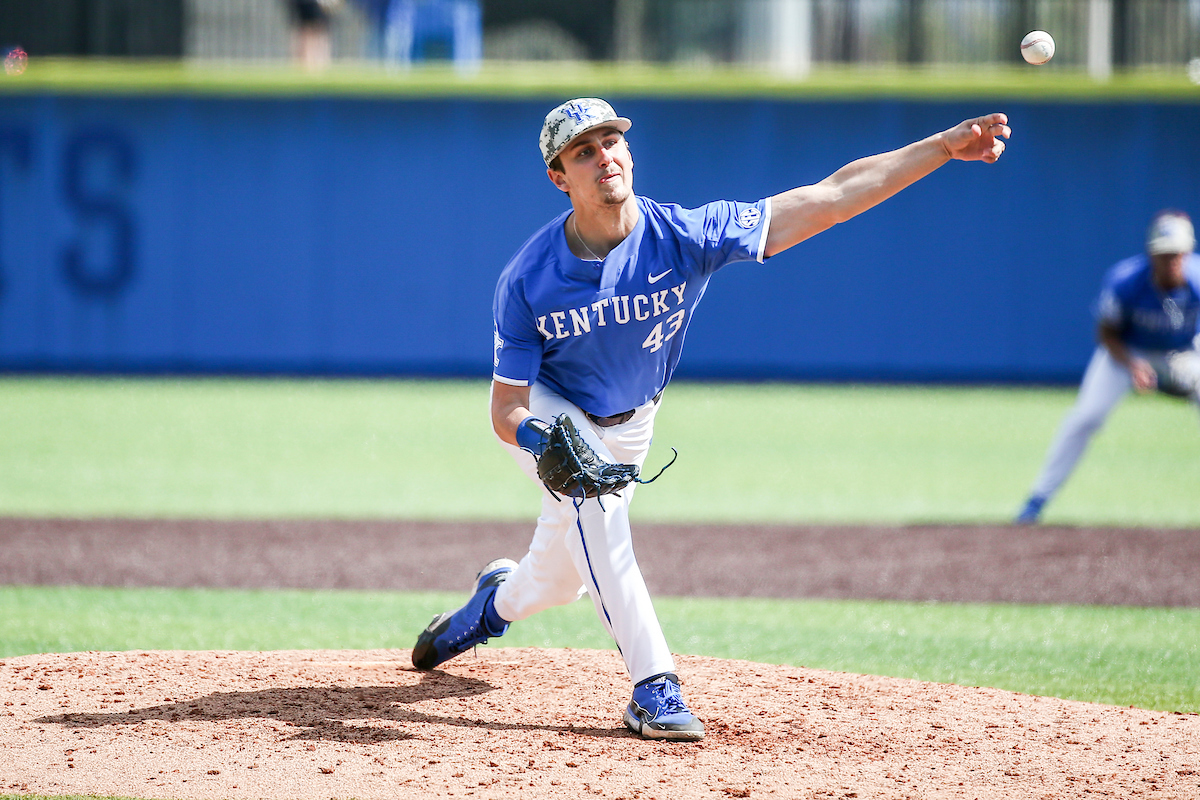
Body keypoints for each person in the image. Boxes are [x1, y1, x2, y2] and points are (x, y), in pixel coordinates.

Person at [411, 97, 1011, 740]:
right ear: (560, 178)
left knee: (560, 582)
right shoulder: (529, 278)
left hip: (633, 423)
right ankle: (653, 685)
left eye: (612, 141)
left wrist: (942, 148)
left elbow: (832, 196)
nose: (604, 156)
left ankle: (491, 606)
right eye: (583, 151)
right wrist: (542, 438)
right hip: (554, 412)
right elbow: (507, 408)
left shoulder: (685, 236)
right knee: (595, 505)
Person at [1015, 210, 1200, 524]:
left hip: (1180, 352)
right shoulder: (1126, 280)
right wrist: (1133, 365)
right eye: (1164, 254)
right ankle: (1036, 502)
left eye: (1178, 253)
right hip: (1126, 352)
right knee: (1085, 418)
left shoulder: (1196, 281)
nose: (1171, 260)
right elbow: (1106, 333)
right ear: (1151, 253)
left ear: (1188, 252)